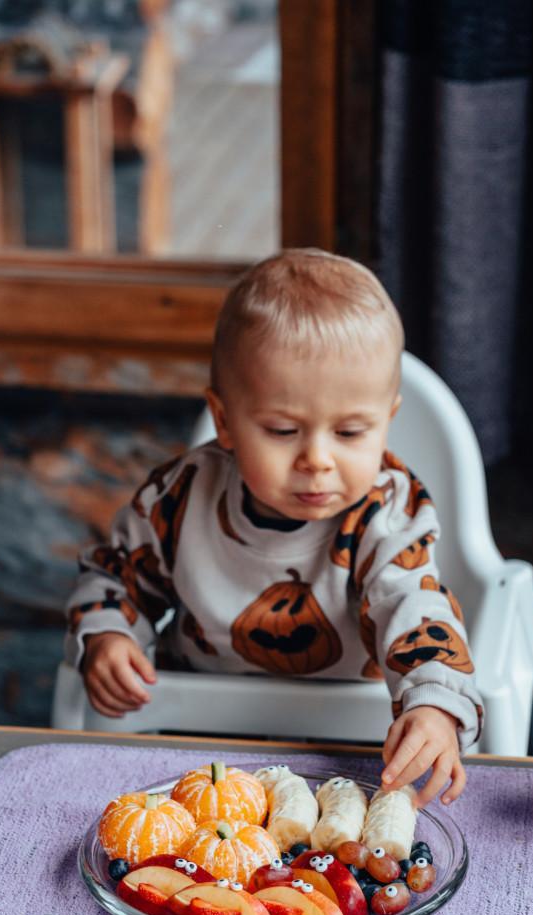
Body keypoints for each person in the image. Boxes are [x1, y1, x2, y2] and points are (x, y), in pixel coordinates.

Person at [65, 248, 483, 808]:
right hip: (200, 738)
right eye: (284, 431)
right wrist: (110, 636)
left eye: (352, 432)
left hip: (351, 746)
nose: (317, 459)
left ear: (388, 421)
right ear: (225, 421)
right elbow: (116, 574)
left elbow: (415, 607)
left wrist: (431, 702)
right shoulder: (180, 498)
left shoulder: (386, 512)